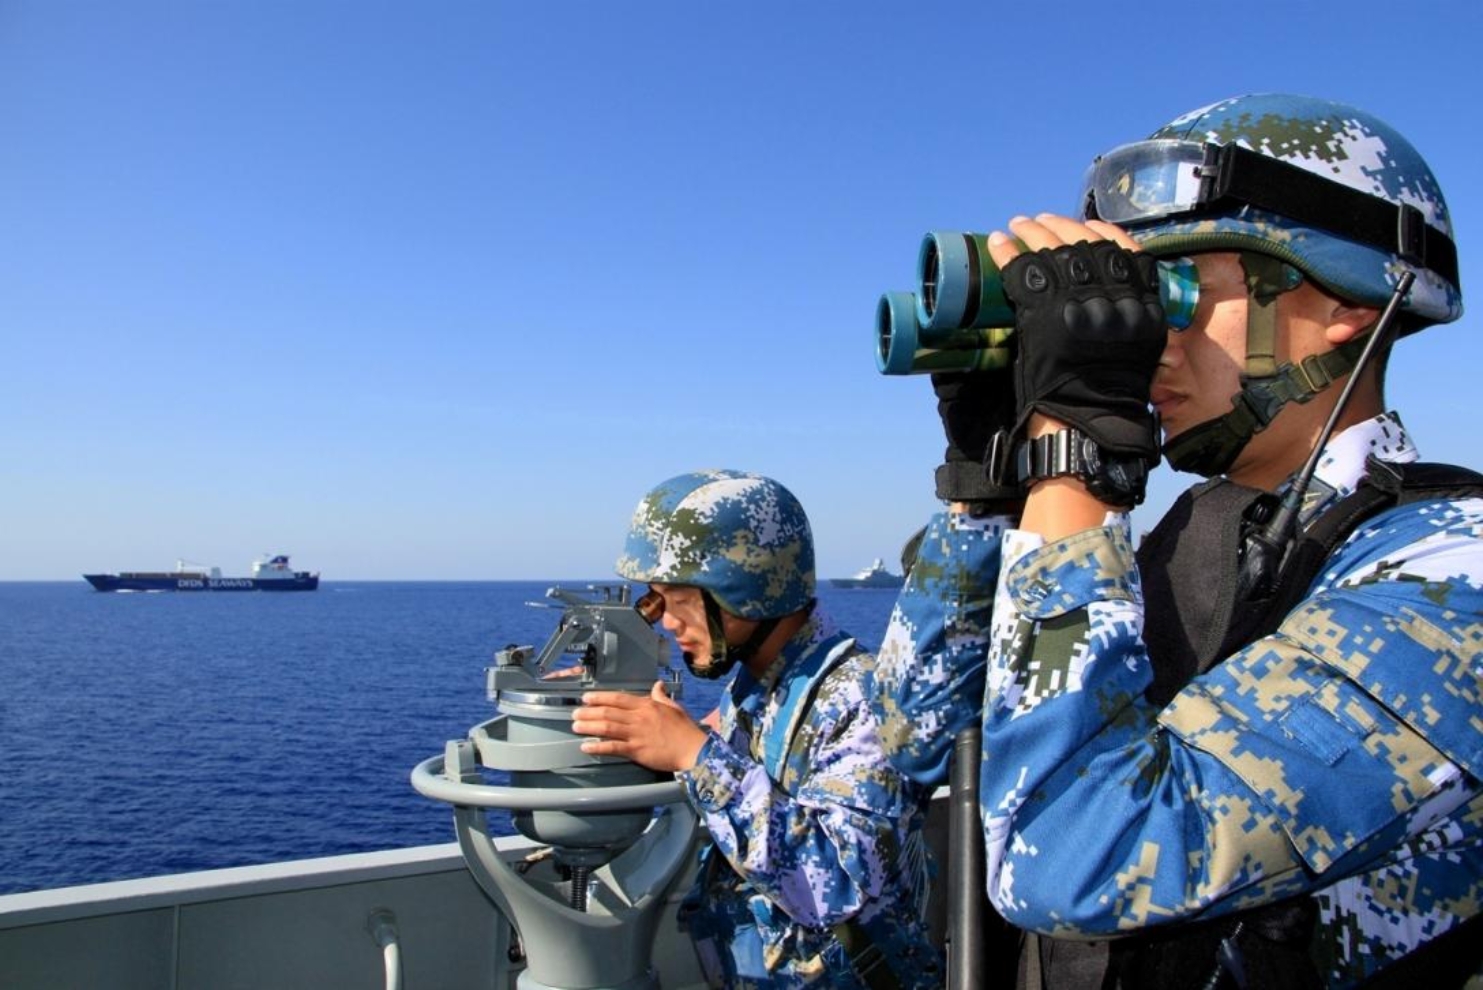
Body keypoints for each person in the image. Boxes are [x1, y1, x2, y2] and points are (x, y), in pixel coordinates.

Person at [873, 93, 1483, 987]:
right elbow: (914, 740)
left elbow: (1074, 864)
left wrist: (1073, 460)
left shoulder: (1449, 574)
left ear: (1343, 302)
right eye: (1132, 303)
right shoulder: (1192, 541)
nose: (1148, 342)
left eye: (1175, 293)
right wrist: (989, 491)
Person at [572, 469, 943, 989]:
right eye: (656, 600)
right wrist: (612, 702)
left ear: (746, 591)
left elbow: (837, 887)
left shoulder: (861, 699)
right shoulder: (762, 686)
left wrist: (696, 756)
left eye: (679, 599)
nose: (667, 622)